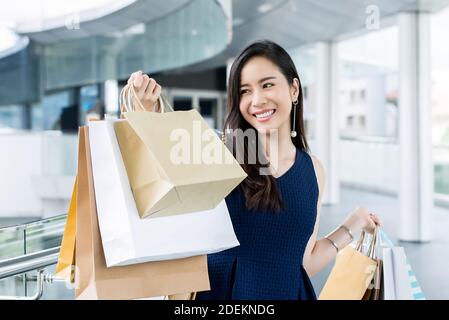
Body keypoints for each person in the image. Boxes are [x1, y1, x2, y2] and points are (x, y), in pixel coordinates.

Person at [123, 40, 383, 300]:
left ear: (294, 89)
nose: (257, 100)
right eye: (245, 91)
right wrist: (147, 110)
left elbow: (301, 263)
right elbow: (162, 181)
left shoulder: (313, 170)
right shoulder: (218, 151)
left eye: (267, 84)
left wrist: (353, 224)